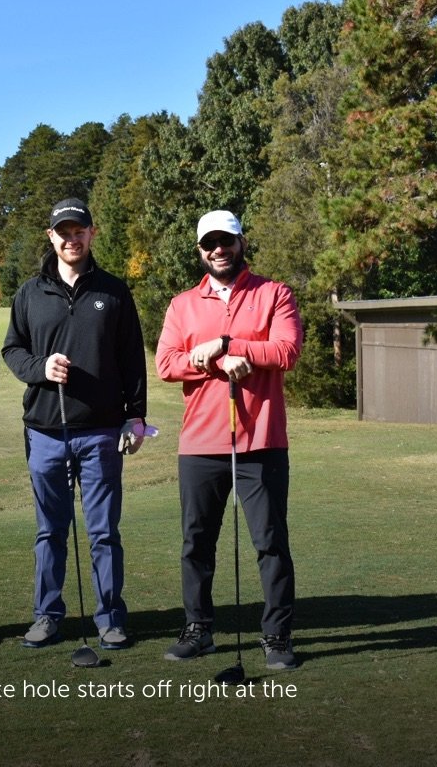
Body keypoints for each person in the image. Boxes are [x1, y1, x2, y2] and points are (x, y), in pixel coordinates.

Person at [155, 209, 303, 670]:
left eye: (227, 240)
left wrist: (227, 345)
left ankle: (276, 635)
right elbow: (166, 363)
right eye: (209, 243)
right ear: (200, 250)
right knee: (196, 542)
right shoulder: (182, 305)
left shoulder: (273, 293)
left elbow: (286, 351)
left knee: (270, 542)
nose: (218, 249)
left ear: (241, 243)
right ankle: (199, 629)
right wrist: (216, 363)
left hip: (260, 440)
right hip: (200, 443)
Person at [1, 198, 147, 650]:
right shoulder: (29, 293)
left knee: (103, 531)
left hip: (101, 430)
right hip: (45, 429)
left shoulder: (114, 291)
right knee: (50, 530)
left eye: (79, 230)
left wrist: (136, 415)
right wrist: (41, 369)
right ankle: (47, 615)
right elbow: (13, 351)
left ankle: (109, 617)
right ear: (51, 237)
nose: (71, 238)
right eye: (63, 231)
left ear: (91, 233)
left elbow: (131, 359)